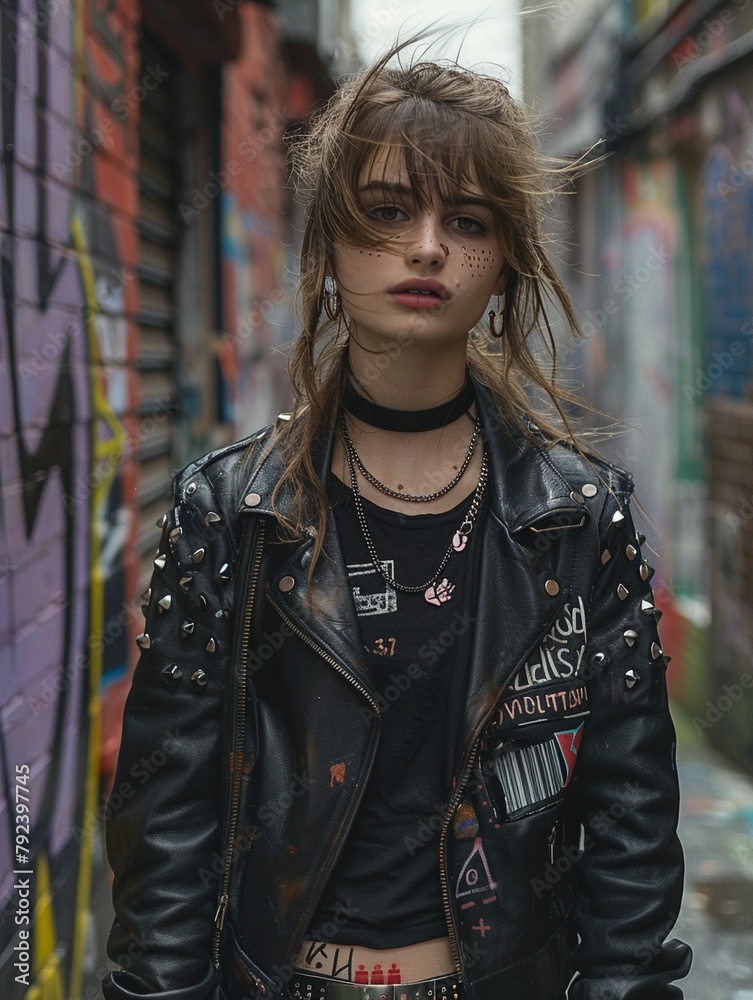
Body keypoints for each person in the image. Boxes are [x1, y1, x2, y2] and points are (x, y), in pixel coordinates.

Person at [103, 43, 692, 1000]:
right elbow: (166, 831)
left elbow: (629, 838)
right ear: (330, 244)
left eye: (465, 221)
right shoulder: (233, 514)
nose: (425, 247)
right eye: (386, 211)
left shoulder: (575, 523)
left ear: (502, 264)